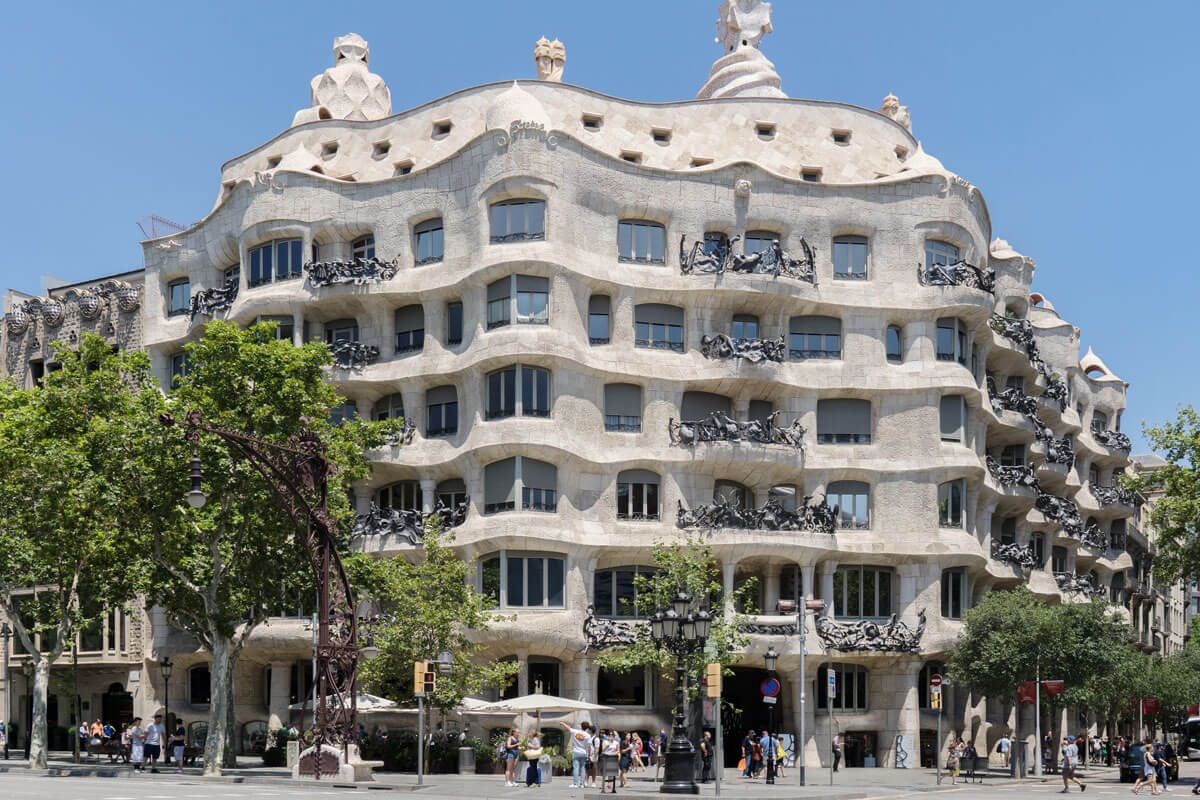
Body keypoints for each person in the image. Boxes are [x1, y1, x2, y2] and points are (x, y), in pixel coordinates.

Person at [560, 720, 591, 789]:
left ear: (581, 726)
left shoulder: (576, 731)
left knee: (576, 768)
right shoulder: (588, 736)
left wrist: (563, 723)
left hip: (576, 752)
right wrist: (588, 756)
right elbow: (589, 746)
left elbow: (568, 727)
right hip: (584, 753)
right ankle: (582, 784)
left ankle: (575, 784)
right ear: (587, 728)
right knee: (583, 768)